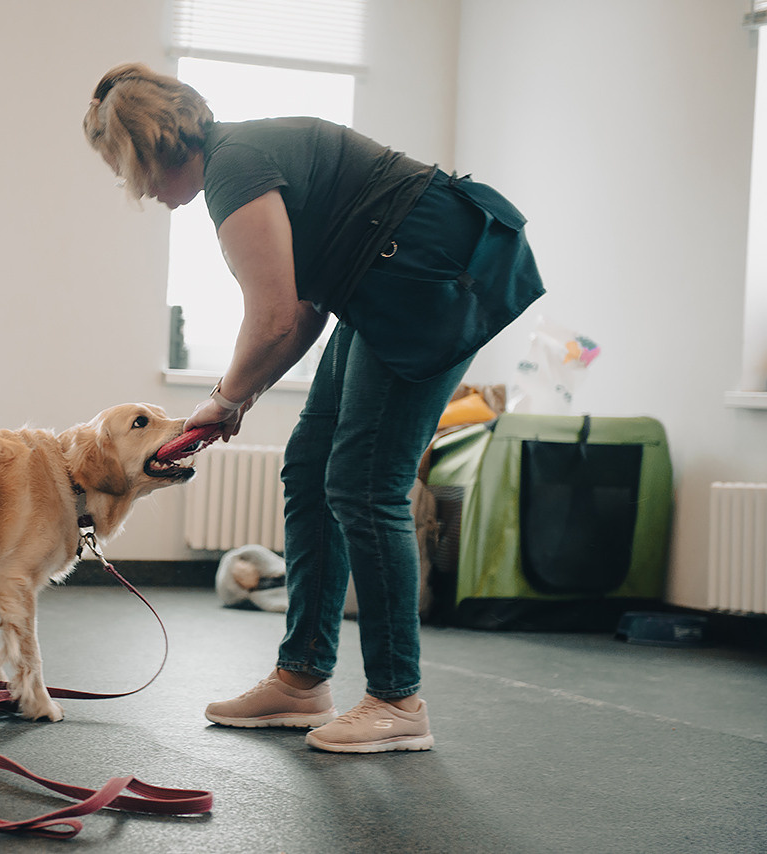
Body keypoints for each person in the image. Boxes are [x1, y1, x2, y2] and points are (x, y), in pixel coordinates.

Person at [83, 63, 544, 753]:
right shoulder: (241, 157)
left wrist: (226, 397)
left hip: (430, 274)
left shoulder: (234, 167)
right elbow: (299, 314)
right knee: (309, 466)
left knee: (363, 484)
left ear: (152, 145)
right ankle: (302, 680)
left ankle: (397, 699)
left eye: (130, 169)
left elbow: (273, 318)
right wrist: (236, 401)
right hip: (386, 280)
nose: (140, 191)